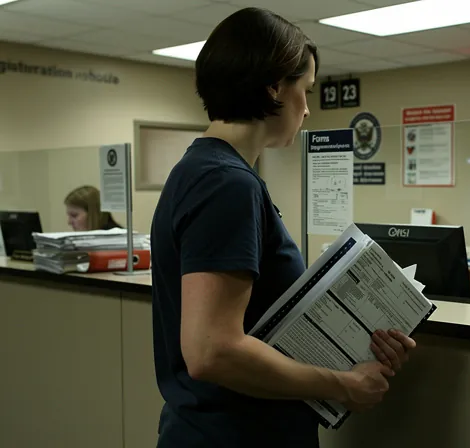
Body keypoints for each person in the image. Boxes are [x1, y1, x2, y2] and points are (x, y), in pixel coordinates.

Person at [149, 8, 416, 448]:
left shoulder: (203, 171)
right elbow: (213, 351)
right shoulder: (226, 185)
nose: (307, 109)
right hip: (235, 436)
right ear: (274, 86)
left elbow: (250, 327)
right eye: (304, 90)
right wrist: (342, 386)